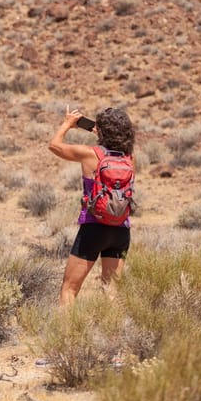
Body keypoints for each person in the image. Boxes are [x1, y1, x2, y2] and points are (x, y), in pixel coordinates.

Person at [48, 106, 135, 305]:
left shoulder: (89, 154)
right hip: (121, 231)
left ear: (101, 131)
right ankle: (113, 335)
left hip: (93, 228)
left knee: (69, 290)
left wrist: (68, 124)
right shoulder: (130, 158)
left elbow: (54, 145)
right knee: (111, 292)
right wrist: (102, 131)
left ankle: (66, 335)